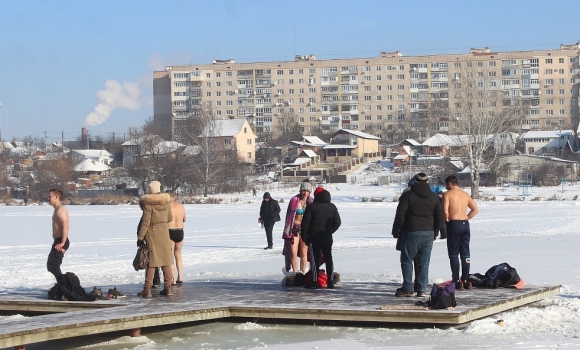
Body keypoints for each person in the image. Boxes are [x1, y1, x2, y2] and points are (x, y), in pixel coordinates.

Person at [391, 173, 443, 297]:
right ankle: (422, 288)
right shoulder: (434, 197)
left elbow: (400, 214)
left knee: (407, 259)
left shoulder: (408, 195)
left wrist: (397, 230)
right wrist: (436, 232)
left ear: (415, 181)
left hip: (411, 231)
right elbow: (439, 217)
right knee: (424, 262)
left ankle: (408, 287)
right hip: (429, 232)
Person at [137, 181, 174, 298]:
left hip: (152, 233)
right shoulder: (166, 203)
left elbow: (145, 222)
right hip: (164, 233)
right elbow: (170, 217)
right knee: (166, 261)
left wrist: (140, 237)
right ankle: (168, 288)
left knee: (152, 262)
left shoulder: (148, 204)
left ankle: (147, 289)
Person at [443, 175, 479, 290]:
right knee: (465, 253)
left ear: (449, 183)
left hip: (454, 224)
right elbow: (475, 209)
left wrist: (446, 222)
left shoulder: (447, 194)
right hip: (465, 224)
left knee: (453, 254)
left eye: (446, 184)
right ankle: (466, 280)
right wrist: (466, 218)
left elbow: (444, 211)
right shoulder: (465, 194)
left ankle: (456, 280)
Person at [301, 188, 341, 289]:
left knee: (315, 260)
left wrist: (305, 237)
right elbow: (338, 222)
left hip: (314, 238)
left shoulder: (311, 207)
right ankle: (330, 281)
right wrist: (329, 231)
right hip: (327, 237)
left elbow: (305, 223)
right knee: (328, 258)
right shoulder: (332, 207)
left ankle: (314, 281)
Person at [282, 181, 313, 273]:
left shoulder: (311, 202)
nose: (305, 193)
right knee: (293, 251)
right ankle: (296, 273)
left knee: (304, 252)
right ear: (300, 190)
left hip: (306, 230)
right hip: (294, 229)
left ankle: (303, 272)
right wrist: (295, 223)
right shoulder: (294, 200)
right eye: (304, 190)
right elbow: (289, 216)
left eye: (307, 191)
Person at [47, 189, 70, 281]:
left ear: (57, 197)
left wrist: (62, 242)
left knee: (53, 265)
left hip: (61, 241)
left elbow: (65, 227)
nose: (48, 198)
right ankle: (63, 286)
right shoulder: (57, 210)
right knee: (52, 265)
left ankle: (65, 287)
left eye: (50, 196)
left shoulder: (61, 210)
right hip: (58, 241)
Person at [166, 190, 186, 284]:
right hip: (180, 231)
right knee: (178, 254)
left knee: (170, 256)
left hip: (170, 231)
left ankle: (173, 279)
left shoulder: (166, 207)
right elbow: (184, 219)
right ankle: (180, 276)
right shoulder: (181, 206)